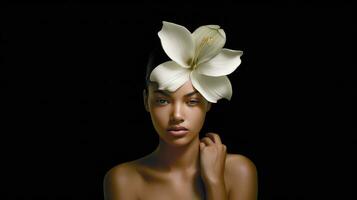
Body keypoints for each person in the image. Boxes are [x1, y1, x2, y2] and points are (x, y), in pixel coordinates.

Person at [103, 21, 258, 200]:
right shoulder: (123, 180)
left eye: (192, 101)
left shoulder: (239, 171)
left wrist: (214, 182)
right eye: (162, 101)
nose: (177, 115)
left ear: (208, 102)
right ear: (146, 101)